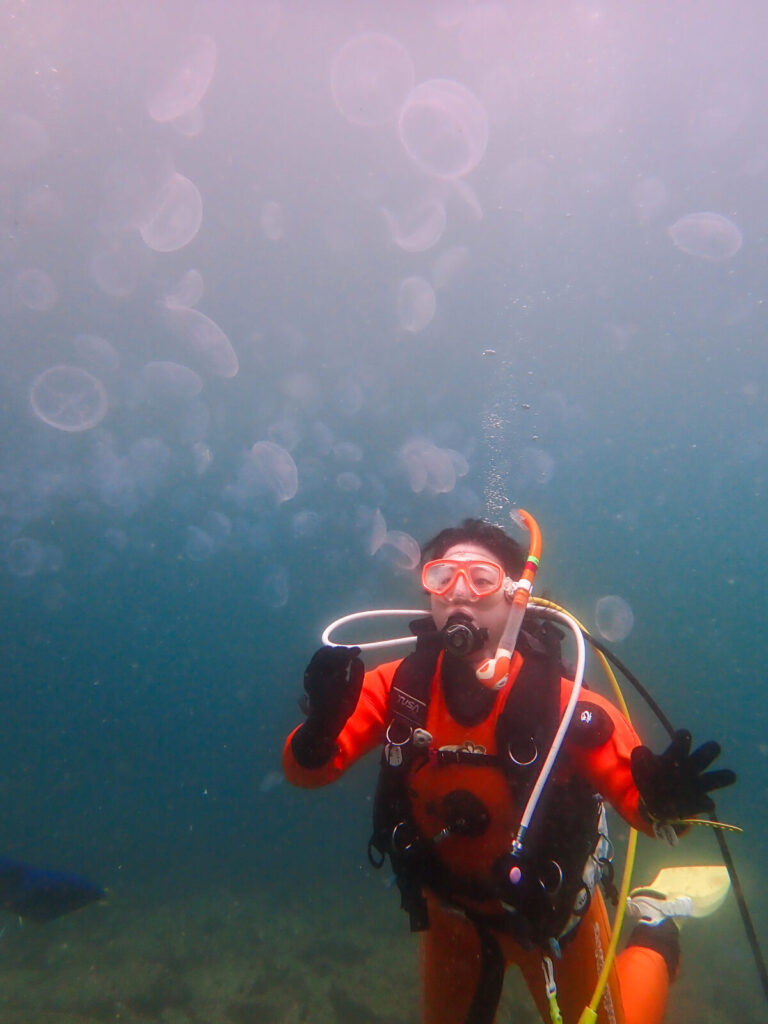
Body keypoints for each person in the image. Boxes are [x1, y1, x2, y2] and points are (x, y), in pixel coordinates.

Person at [283, 518, 736, 1024]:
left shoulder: (562, 704)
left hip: (553, 923)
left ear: (517, 597)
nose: (460, 592)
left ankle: (655, 927)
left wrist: (664, 801)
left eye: (482, 579)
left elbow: (645, 806)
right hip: (450, 919)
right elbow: (307, 772)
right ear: (428, 593)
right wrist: (317, 731)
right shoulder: (400, 688)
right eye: (442, 577)